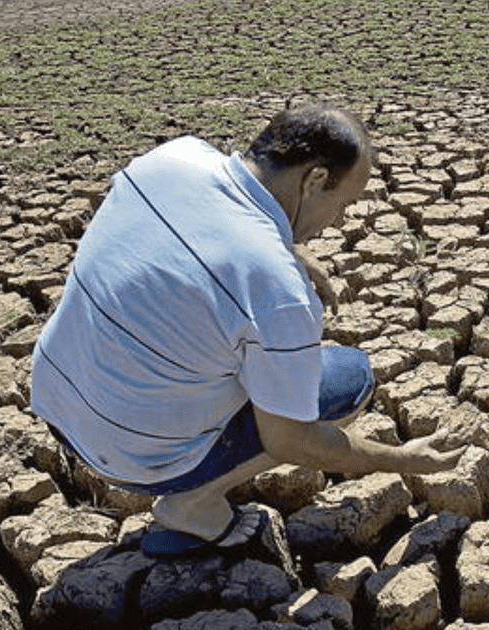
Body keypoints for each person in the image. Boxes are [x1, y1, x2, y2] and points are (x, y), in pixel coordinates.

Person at [30, 104, 464, 557]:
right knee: (346, 377)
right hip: (134, 458)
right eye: (344, 204)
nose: (338, 221)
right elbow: (292, 440)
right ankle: (192, 504)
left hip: (57, 403)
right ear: (314, 180)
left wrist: (286, 247)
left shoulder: (172, 159)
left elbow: (200, 230)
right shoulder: (277, 289)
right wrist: (401, 459)